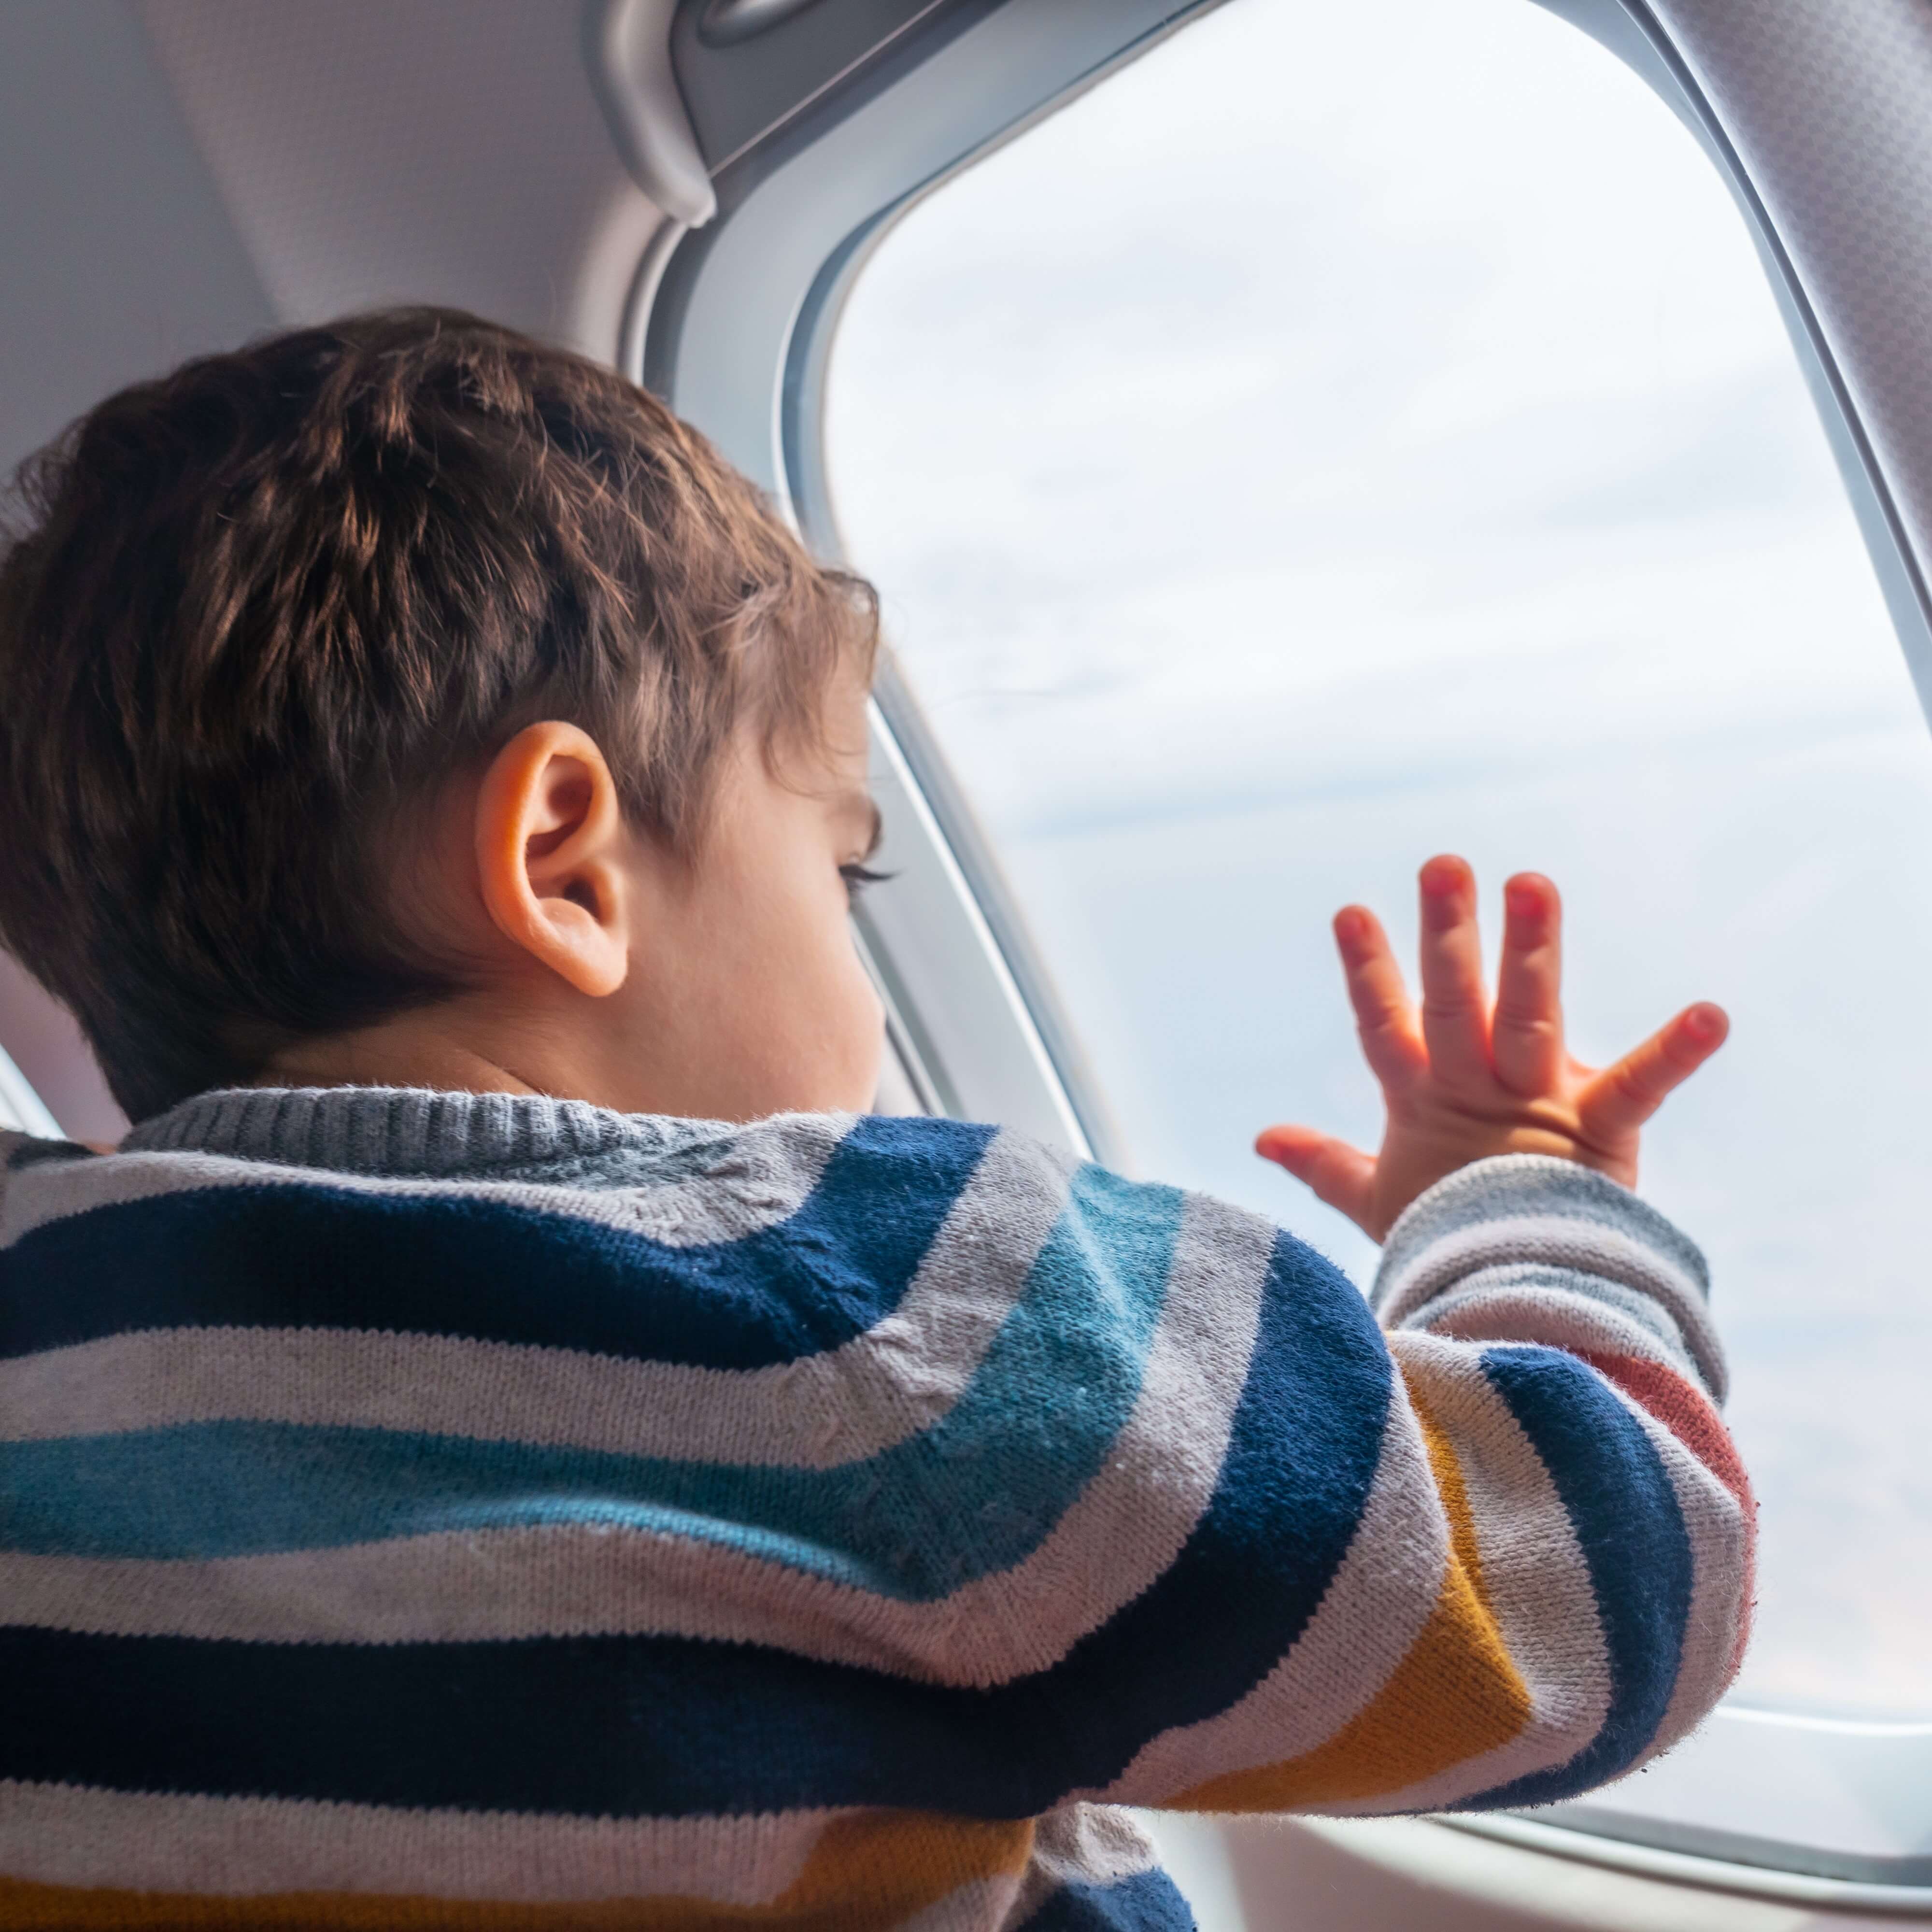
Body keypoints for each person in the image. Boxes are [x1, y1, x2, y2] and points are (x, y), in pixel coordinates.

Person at [0, 310, 1749, 1931]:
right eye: (842, 866)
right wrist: (1527, 1188)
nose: (861, 949)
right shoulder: (873, 1317)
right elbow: (1604, 1585)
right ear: (566, 869)